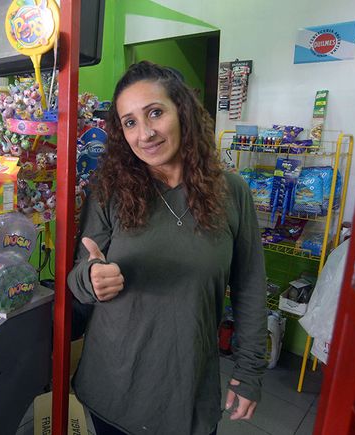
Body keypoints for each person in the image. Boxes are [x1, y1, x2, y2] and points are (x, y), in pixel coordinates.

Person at [67, 61, 267, 435]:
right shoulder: (109, 191)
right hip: (114, 383)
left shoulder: (233, 193)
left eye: (155, 113)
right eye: (130, 122)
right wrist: (90, 278)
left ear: (182, 112)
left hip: (186, 389)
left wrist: (250, 370)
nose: (145, 134)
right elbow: (79, 275)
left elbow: (251, 288)